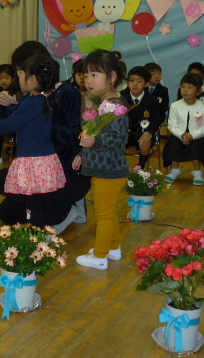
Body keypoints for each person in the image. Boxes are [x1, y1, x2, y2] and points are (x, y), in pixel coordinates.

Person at [0, 41, 91, 233]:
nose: (19, 76)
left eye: (21, 70)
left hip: (64, 169)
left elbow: (75, 136)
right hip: (35, 170)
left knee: (40, 213)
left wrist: (42, 127)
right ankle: (48, 208)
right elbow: (5, 124)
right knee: (7, 211)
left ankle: (70, 207)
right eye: (18, 71)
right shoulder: (29, 95)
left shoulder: (67, 94)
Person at [0, 54, 65, 203]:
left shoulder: (33, 102)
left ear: (32, 80)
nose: (18, 79)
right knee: (37, 201)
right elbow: (13, 116)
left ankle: (36, 223)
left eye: (20, 74)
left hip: (35, 160)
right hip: (41, 159)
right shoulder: (39, 100)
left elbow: (11, 123)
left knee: (35, 201)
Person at [73, 49, 129, 270]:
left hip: (110, 171)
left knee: (103, 216)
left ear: (112, 77)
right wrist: (81, 153)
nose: (88, 80)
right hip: (100, 169)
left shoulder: (117, 106)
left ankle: (99, 256)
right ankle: (113, 248)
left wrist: (94, 143)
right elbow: (92, 133)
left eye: (95, 75)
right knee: (108, 213)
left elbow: (117, 138)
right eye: (86, 75)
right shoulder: (98, 103)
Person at [164, 72, 204, 186]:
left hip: (197, 136)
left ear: (198, 92)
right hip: (179, 135)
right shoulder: (175, 106)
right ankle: (175, 170)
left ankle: (197, 172)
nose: (185, 90)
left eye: (190, 87)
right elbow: (172, 125)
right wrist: (182, 135)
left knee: (198, 144)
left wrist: (192, 136)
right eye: (183, 87)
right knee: (173, 142)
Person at [120, 66, 161, 168]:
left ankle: (140, 168)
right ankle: (118, 168)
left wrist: (148, 133)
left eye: (139, 81)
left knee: (145, 143)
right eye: (132, 81)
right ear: (128, 83)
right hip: (125, 132)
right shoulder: (121, 97)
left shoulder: (152, 100)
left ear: (146, 84)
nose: (135, 84)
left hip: (142, 133)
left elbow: (156, 120)